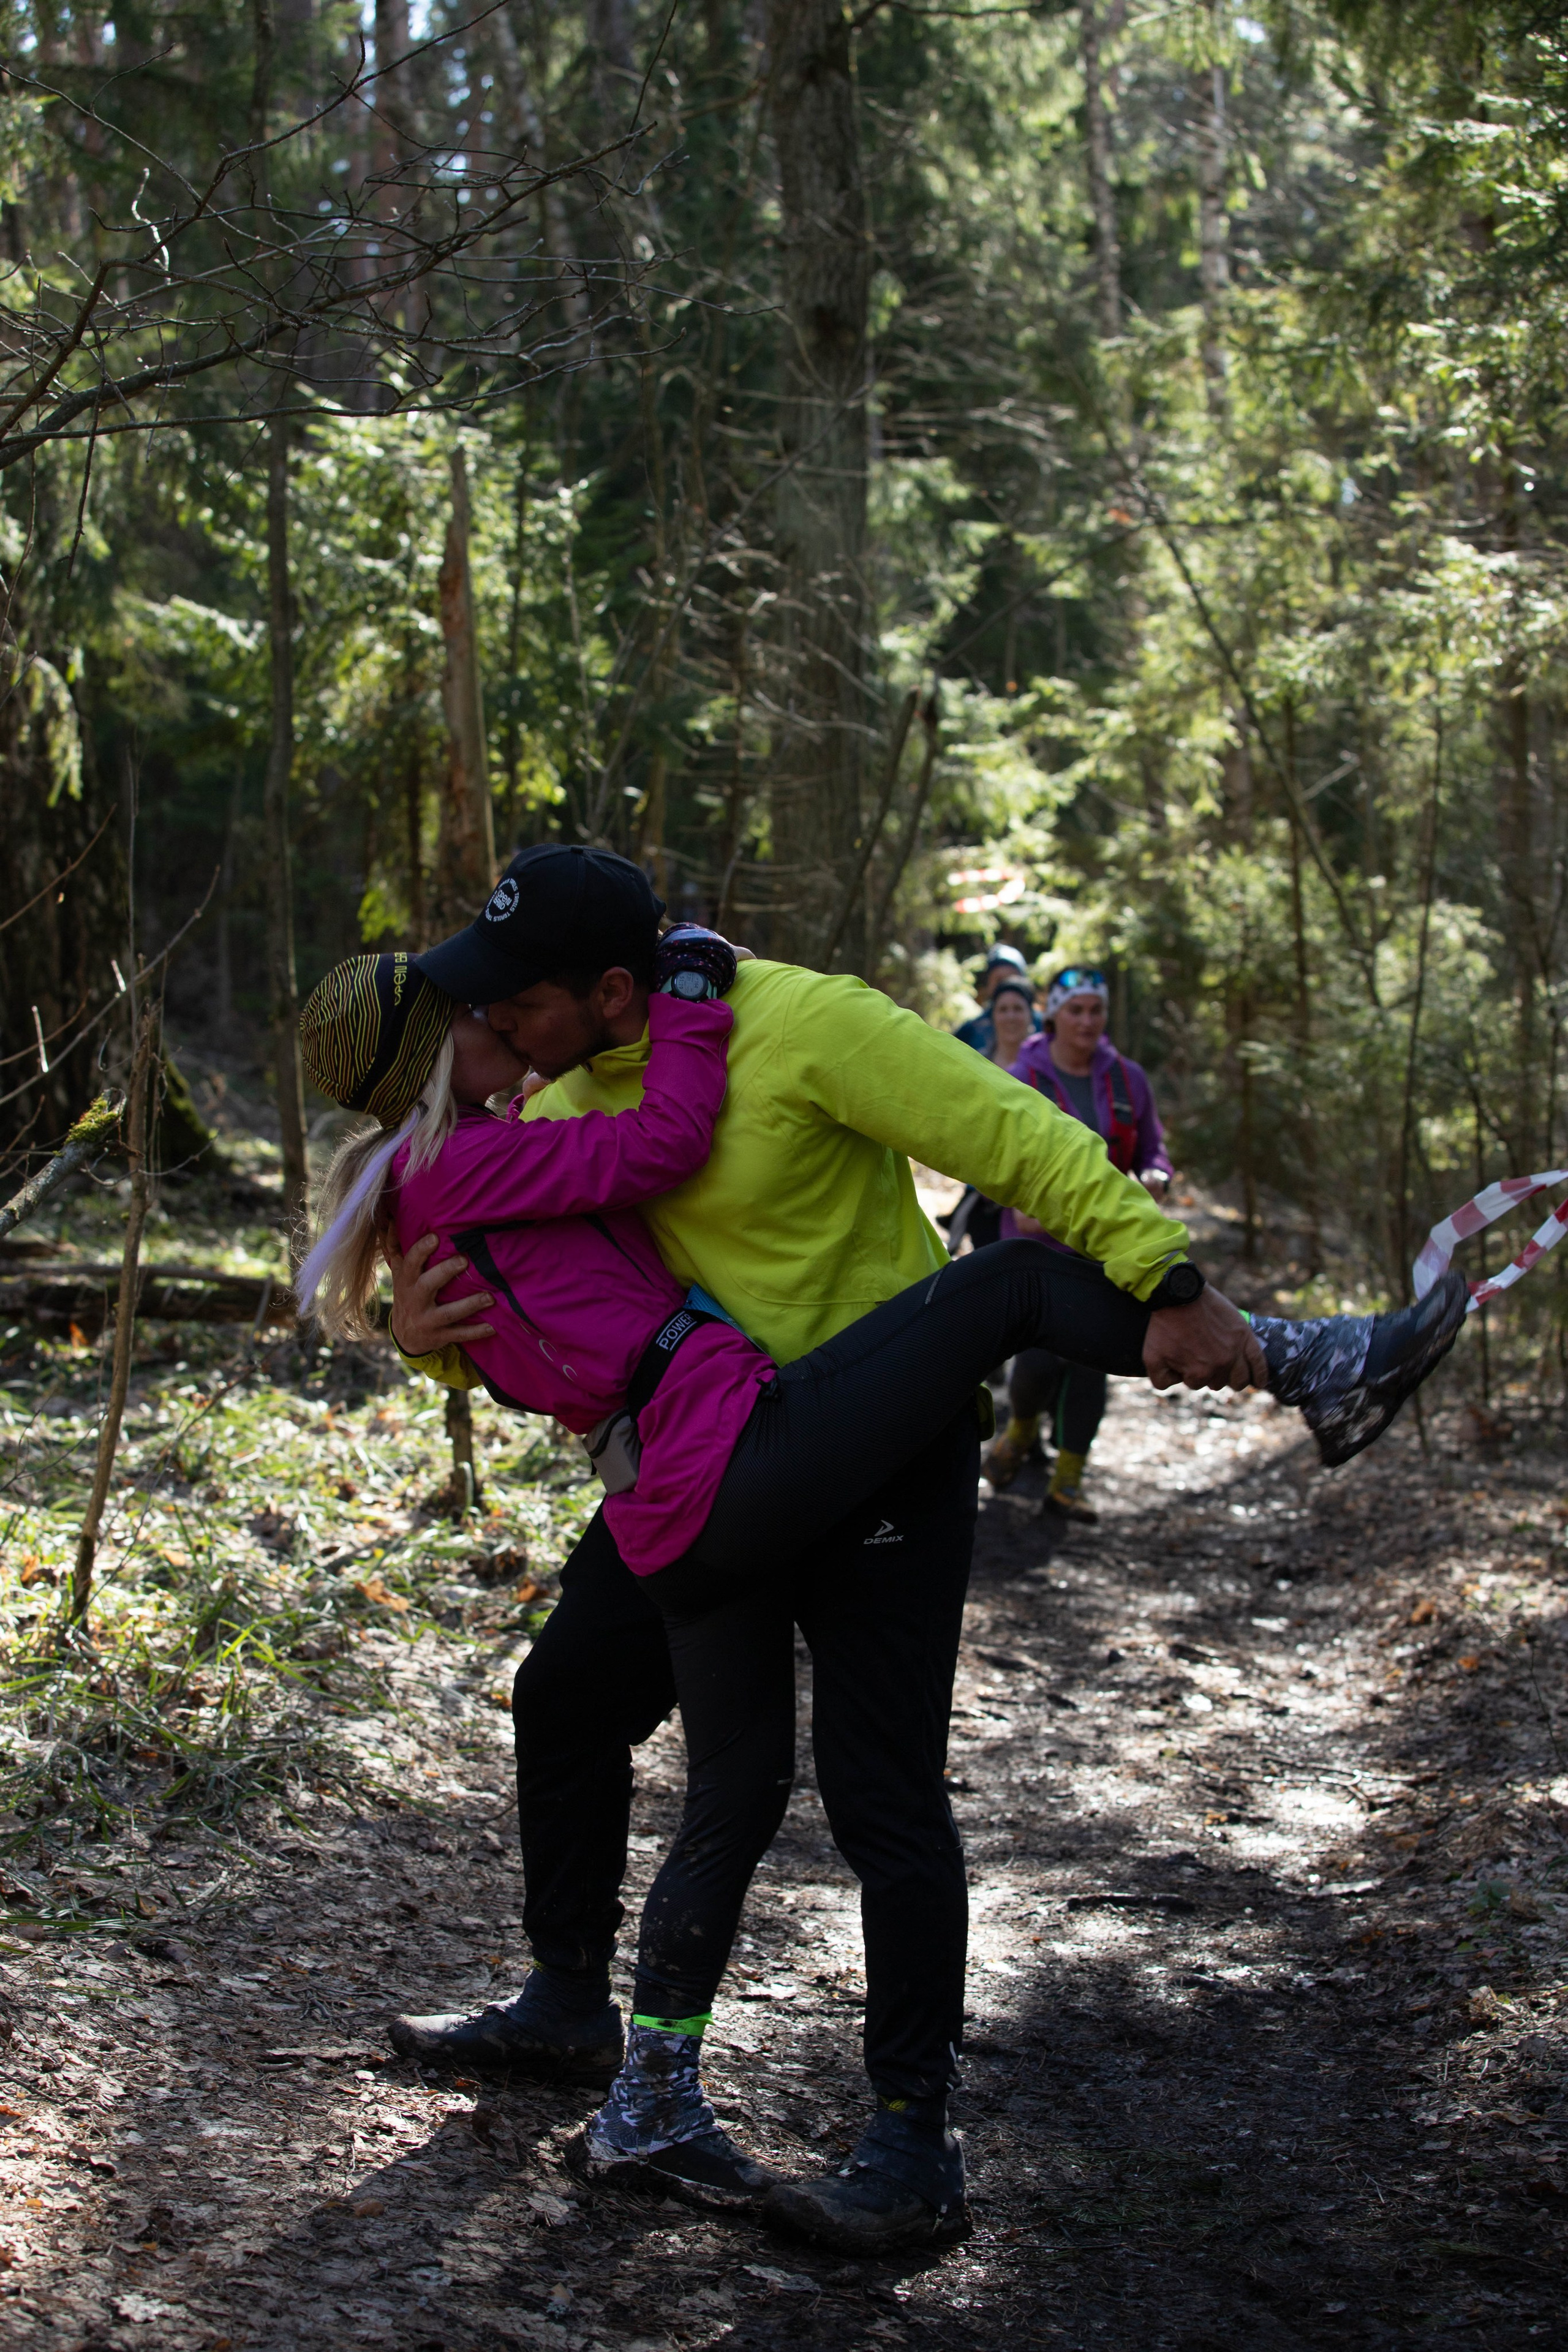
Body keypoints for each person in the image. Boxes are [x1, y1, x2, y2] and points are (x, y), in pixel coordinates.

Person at [369, 846, 1460, 2252]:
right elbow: (541, 1320)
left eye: (516, 1007)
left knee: (878, 1789)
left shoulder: (807, 1024)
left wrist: (1163, 1275)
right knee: (566, 1693)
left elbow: (1012, 1139)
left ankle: (905, 2139)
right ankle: (573, 2000)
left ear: (612, 988)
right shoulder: (573, 1102)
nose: (501, 1039)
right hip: (719, 1466)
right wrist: (426, 1350)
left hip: (874, 1460)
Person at [982, 965, 1171, 1515]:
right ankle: (1019, 1432)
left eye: (1096, 1010)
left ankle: (1068, 1481)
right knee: (1039, 1363)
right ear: (1055, 1015)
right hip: (1041, 1250)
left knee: (1094, 1362)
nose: (1087, 1021)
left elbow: (1153, 1148)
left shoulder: (1127, 1079)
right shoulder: (1026, 1076)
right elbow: (1003, 1158)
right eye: (1076, 1010)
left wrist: (1157, 1175)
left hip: (1108, 1250)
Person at [941, 976, 1041, 1252]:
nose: (1010, 1016)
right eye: (1003, 1009)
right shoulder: (978, 1063)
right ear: (993, 1015)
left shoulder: (1047, 1065)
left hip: (1037, 1191)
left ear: (1031, 1014)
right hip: (985, 1192)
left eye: (1018, 1009)